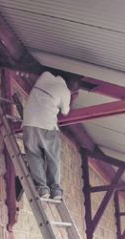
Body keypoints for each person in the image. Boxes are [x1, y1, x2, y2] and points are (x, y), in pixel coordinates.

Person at [21, 71, 80, 201]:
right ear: (71, 88)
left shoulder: (45, 76)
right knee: (53, 158)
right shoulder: (65, 91)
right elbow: (65, 111)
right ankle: (55, 189)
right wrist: (71, 98)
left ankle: (42, 188)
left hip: (29, 123)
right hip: (47, 126)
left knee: (34, 156)